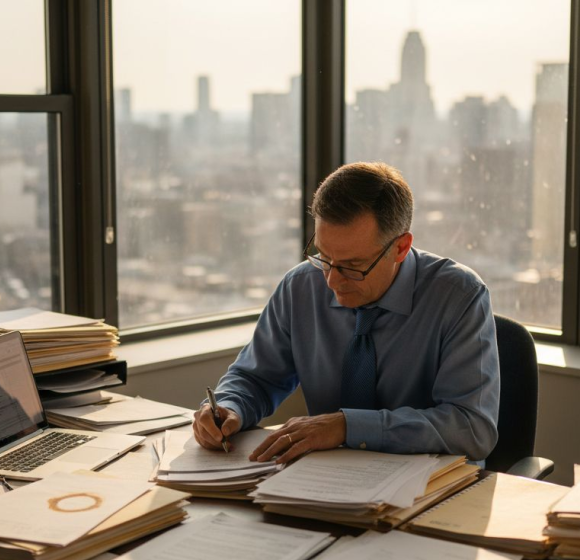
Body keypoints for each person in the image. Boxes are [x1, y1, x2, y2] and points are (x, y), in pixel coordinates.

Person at [192, 162, 500, 464]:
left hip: (432, 488)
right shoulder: (301, 287)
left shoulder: (460, 297)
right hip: (328, 483)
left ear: (401, 248)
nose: (331, 280)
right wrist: (229, 407)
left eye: (353, 266)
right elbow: (256, 377)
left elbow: (472, 429)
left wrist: (347, 426)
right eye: (324, 257)